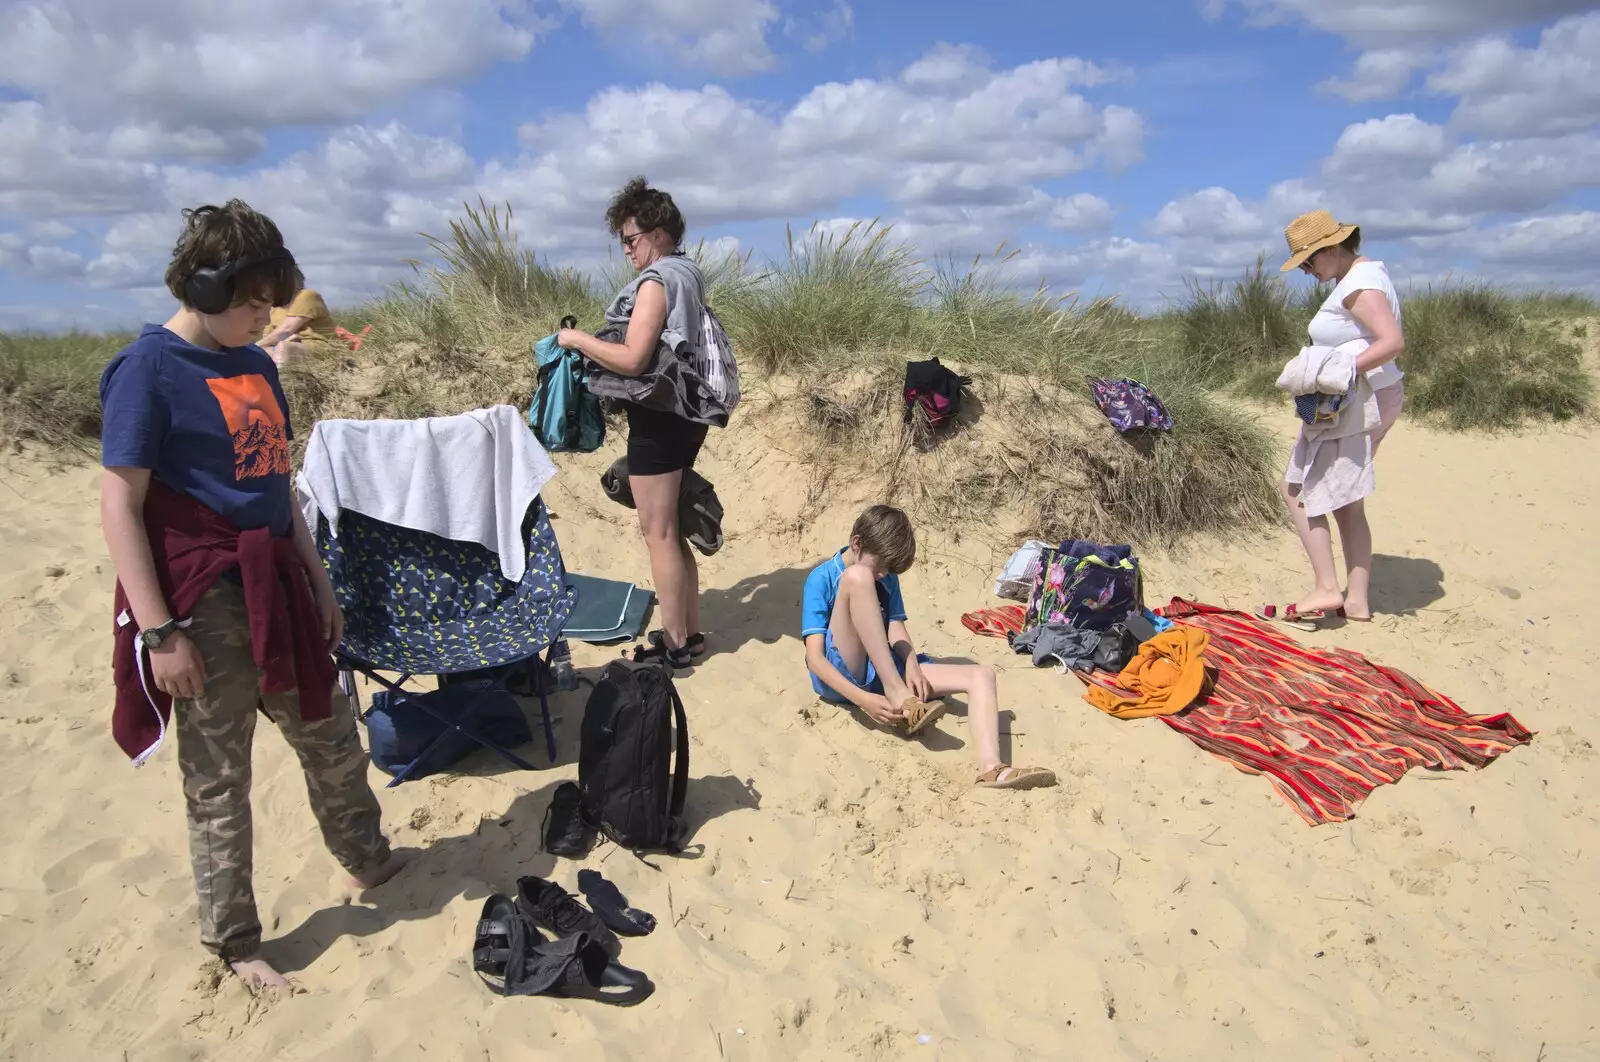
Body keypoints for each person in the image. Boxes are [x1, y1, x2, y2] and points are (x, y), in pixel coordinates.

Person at [99, 200, 405, 991]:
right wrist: (162, 634)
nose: (266, 314)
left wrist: (319, 578)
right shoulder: (147, 371)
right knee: (218, 777)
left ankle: (368, 861)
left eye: (271, 299)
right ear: (205, 286)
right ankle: (235, 942)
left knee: (330, 733)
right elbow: (120, 506)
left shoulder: (258, 365)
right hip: (205, 600)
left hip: (281, 582)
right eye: (254, 300)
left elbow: (279, 488)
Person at [557, 177, 718, 670]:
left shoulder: (657, 280)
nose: (627, 250)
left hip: (659, 418)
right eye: (623, 241)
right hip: (684, 415)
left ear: (659, 232)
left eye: (631, 239)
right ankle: (687, 634)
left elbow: (632, 359)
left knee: (659, 533)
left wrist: (576, 340)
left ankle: (673, 644)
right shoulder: (688, 274)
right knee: (671, 528)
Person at [802, 505, 1057, 791]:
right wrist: (863, 700)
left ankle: (992, 769)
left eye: (888, 570)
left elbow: (895, 625)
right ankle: (898, 694)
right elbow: (815, 659)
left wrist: (911, 665)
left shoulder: (885, 574)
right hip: (844, 677)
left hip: (882, 670)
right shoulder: (824, 578)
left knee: (982, 675)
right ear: (857, 543)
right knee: (857, 577)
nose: (884, 575)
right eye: (881, 568)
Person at [1265, 210, 1406, 626]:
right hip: (1370, 399)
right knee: (1346, 500)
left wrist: (1339, 371)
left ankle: (1328, 588)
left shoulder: (1359, 284)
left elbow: (1392, 341)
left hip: (1358, 404)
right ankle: (1357, 601)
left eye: (1309, 261)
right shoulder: (1362, 276)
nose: (1307, 271)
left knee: (1295, 489)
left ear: (1333, 247)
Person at [259, 279, 338, 368]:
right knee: (260, 355)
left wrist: (255, 347)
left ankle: (281, 379)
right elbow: (267, 339)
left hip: (318, 345)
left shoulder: (306, 295)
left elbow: (287, 330)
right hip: (286, 345)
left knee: (284, 348)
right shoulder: (273, 307)